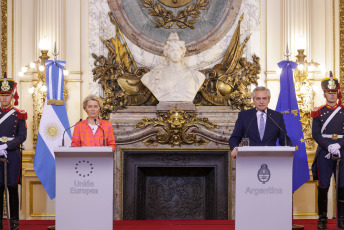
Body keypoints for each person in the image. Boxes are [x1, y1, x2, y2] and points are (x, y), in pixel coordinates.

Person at [311, 73, 344, 229]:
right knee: (323, 186)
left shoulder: (343, 111)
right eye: (329, 92)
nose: (332, 95)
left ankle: (342, 218)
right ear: (324, 93)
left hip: (342, 151)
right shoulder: (318, 112)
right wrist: (328, 145)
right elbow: (316, 134)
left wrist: (340, 144)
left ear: (338, 93)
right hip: (324, 152)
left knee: (342, 185)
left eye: (335, 92)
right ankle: (322, 219)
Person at [141, 32, 205, 102]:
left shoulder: (196, 75)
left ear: (182, 53)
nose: (175, 53)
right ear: (167, 53)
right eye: (172, 50)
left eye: (178, 50)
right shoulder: (154, 75)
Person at [229, 86, 291, 158]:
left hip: (271, 159)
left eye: (264, 98)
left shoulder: (277, 117)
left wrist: (289, 150)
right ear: (254, 100)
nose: (261, 102)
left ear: (269, 100)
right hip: (249, 159)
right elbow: (235, 137)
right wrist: (235, 148)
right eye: (258, 99)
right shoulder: (244, 116)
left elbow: (284, 139)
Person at [0, 73, 27, 230]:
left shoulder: (19, 114)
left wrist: (7, 146)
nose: (4, 98)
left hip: (12, 155)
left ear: (12, 96)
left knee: (12, 188)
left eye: (7, 95)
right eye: (2, 95)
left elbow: (22, 136)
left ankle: (14, 225)